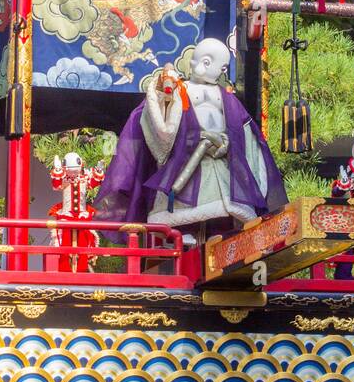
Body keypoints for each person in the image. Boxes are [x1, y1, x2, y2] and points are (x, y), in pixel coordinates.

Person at [95, 37, 286, 237]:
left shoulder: (227, 97)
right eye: (221, 68)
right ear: (205, 63)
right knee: (181, 217)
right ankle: (184, 237)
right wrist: (162, 98)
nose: (223, 73)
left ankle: (216, 238)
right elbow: (161, 123)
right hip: (185, 164)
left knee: (222, 220)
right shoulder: (179, 91)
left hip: (221, 164)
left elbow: (244, 130)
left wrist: (228, 143)